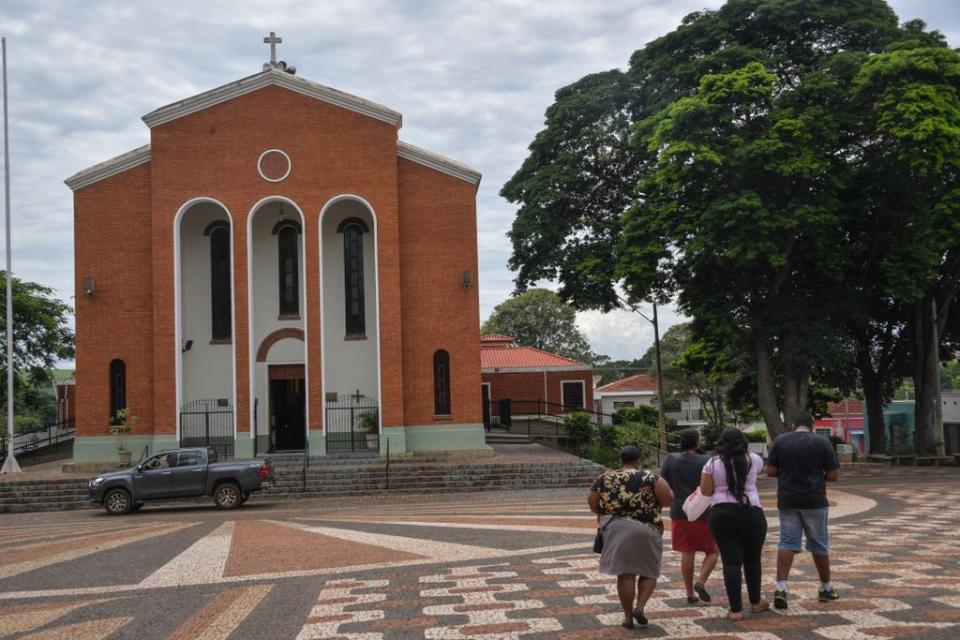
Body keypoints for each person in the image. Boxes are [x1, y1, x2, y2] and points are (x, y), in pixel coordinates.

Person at [588, 445, 674, 629]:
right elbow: (667, 500)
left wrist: (602, 511)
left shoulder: (605, 477)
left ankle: (627, 617)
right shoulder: (651, 477)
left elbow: (592, 501)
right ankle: (640, 607)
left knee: (625, 575)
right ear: (638, 460)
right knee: (649, 571)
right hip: (647, 528)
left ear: (622, 460)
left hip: (616, 529)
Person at [766, 412, 840, 609]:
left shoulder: (780, 441)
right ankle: (826, 587)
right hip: (815, 499)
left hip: (788, 499)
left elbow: (771, 471)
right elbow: (832, 475)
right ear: (812, 425)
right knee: (819, 544)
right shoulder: (822, 443)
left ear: (793, 424)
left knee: (787, 543)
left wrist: (788, 474)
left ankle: (781, 588)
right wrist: (816, 476)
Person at [700, 428, 768, 621]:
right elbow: (758, 471)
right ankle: (755, 602)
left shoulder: (712, 463)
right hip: (752, 511)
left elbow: (705, 491)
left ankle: (735, 610)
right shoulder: (753, 459)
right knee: (753, 560)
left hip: (722, 513)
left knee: (731, 562)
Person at [661, 429, 719, 604]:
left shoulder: (670, 460)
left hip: (680, 511)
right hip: (705, 511)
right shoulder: (707, 461)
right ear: (697, 442)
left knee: (687, 552)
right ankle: (701, 581)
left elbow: (665, 484)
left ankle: (689, 593)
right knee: (713, 550)